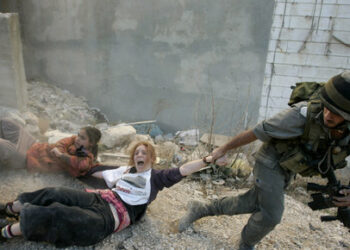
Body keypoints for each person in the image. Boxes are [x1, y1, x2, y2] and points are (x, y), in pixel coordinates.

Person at [178, 71, 350, 250]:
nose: (328, 115)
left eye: (337, 114)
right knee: (271, 215)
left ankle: (202, 209)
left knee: (253, 203)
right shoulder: (301, 115)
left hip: (289, 167)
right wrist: (222, 149)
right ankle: (246, 245)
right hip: (271, 161)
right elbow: (257, 132)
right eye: (326, 107)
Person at [0, 141, 226, 247]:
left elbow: (183, 170)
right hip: (100, 198)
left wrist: (208, 159)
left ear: (151, 158)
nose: (139, 154)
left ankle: (7, 232)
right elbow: (97, 173)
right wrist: (75, 164)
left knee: (61, 214)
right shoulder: (124, 170)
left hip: (112, 216)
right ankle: (12, 208)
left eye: (144, 153)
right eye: (137, 151)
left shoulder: (157, 177)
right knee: (56, 192)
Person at [0, 117, 101, 177]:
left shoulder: (86, 158)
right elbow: (60, 144)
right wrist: (61, 152)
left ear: (91, 143)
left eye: (82, 138)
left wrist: (62, 155)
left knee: (3, 145)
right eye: (78, 135)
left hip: (28, 159)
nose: (78, 138)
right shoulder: (74, 140)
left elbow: (81, 165)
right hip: (34, 145)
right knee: (7, 122)